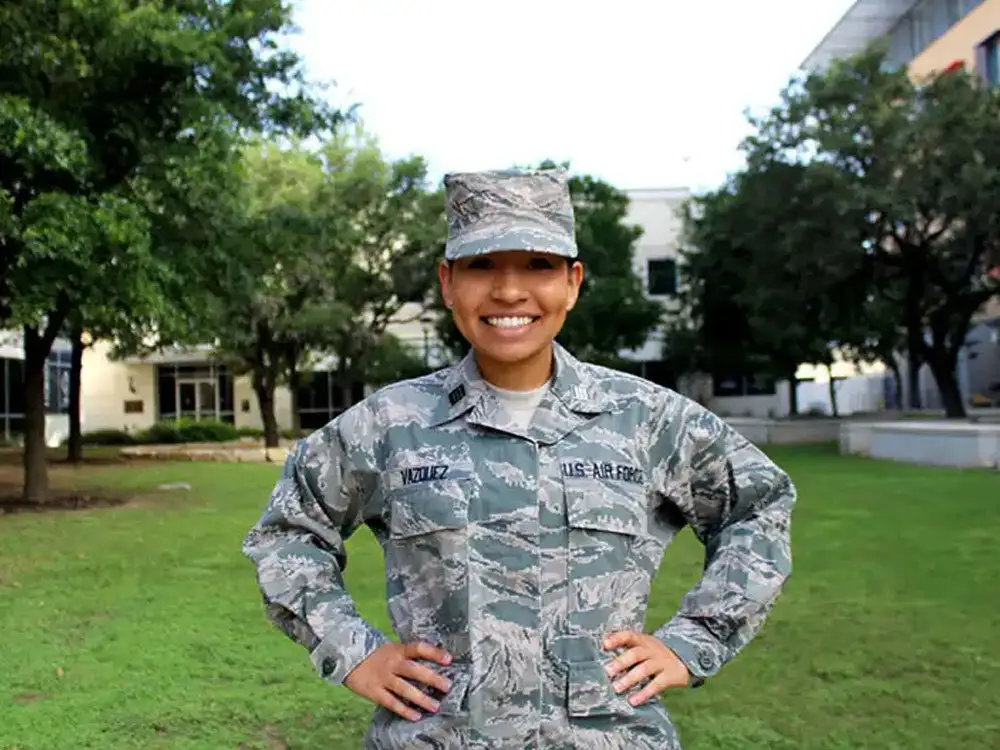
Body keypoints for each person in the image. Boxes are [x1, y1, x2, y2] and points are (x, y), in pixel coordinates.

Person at [242, 167, 796, 749]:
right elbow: (288, 533)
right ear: (447, 281)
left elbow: (758, 505)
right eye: (482, 265)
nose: (509, 291)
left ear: (573, 281)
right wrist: (354, 651)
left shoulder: (647, 419)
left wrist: (693, 639)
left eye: (538, 265)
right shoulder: (389, 424)